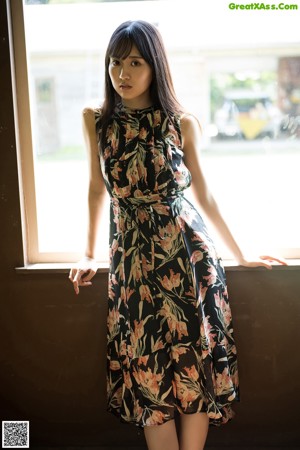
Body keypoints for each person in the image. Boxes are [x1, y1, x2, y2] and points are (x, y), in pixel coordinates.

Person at [69, 20, 286, 450]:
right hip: (132, 266)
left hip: (187, 262)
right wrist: (89, 252)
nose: (122, 73)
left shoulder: (180, 122)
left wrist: (241, 254)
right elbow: (96, 189)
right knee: (150, 381)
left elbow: (204, 195)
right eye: (115, 62)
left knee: (193, 374)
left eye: (135, 62)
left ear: (156, 67)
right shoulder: (97, 121)